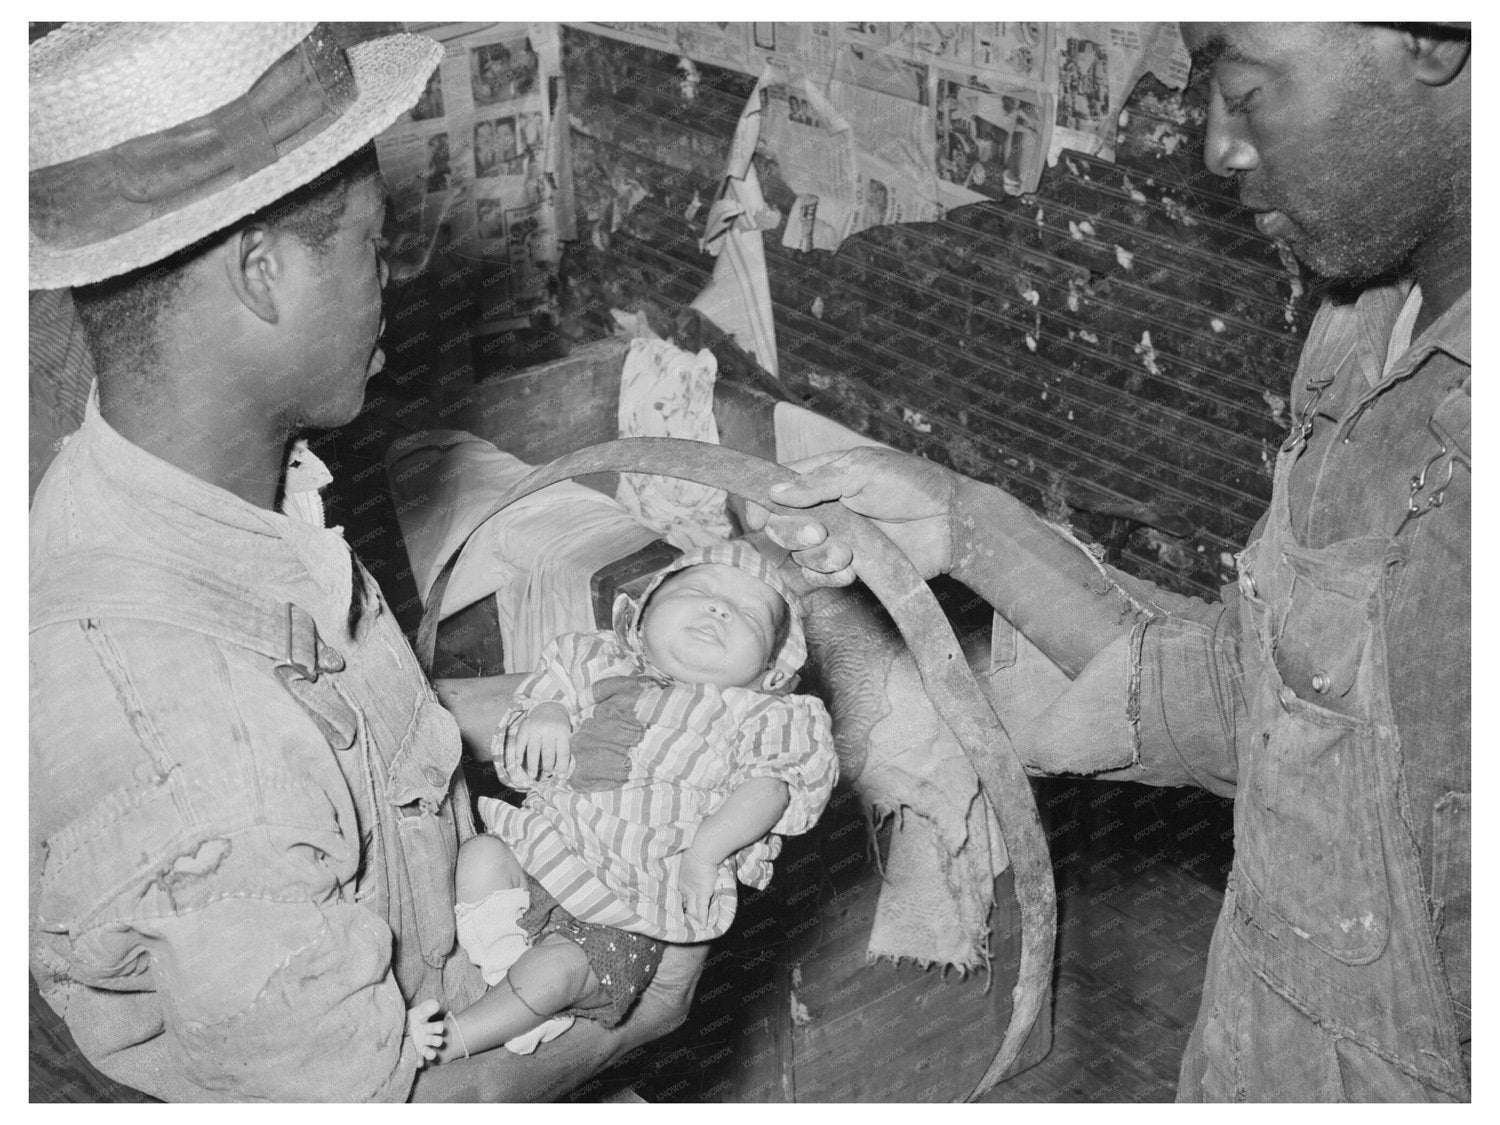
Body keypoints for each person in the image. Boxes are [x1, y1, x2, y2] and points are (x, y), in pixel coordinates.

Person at [749, 22, 1469, 1103]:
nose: (1219, 146)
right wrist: (963, 523)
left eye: (1245, 87)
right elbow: (1259, 701)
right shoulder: (1365, 328)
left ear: (1428, 36)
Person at [29, 22, 706, 1102]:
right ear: (261, 273)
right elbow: (406, 1102)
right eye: (371, 241)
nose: (394, 275)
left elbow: (335, 738)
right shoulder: (215, 767)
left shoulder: (147, 482)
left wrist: (542, 702)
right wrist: (653, 996)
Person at [418, 542, 837, 1062]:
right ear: (638, 621)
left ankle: (448, 1043)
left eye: (750, 614)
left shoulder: (762, 714)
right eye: (696, 591)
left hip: (634, 903)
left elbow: (771, 789)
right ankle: (510, 980)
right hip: (544, 850)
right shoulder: (597, 658)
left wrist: (706, 853)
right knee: (480, 856)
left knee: (558, 970)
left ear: (771, 673)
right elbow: (548, 686)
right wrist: (547, 710)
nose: (719, 608)